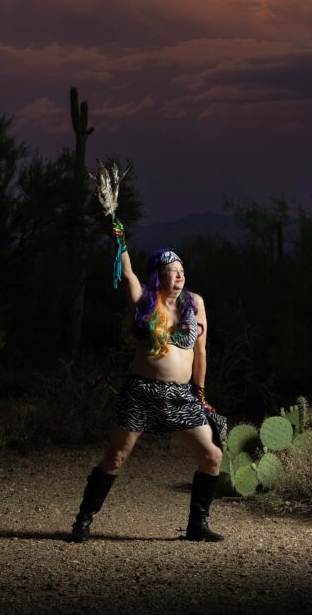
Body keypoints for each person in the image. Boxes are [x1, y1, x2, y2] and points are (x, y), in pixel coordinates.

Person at [67, 221, 225, 543]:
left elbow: (201, 352)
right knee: (116, 457)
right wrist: (120, 242)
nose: (180, 275)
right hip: (141, 391)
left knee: (212, 456)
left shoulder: (195, 304)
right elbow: (126, 275)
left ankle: (197, 525)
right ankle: (82, 522)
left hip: (181, 396)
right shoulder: (145, 302)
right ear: (158, 274)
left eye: (182, 269)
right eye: (172, 270)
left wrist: (201, 393)